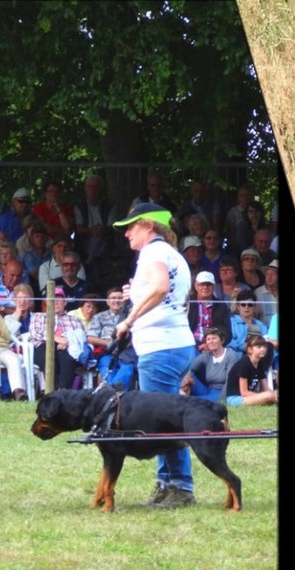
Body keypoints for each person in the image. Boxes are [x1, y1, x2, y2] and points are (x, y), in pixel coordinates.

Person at [112, 202, 198, 509]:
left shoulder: (152, 252)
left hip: (160, 348)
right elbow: (172, 295)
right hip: (176, 344)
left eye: (131, 227)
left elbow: (161, 288)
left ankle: (181, 487)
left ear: (148, 226)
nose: (127, 235)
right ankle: (165, 483)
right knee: (163, 416)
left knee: (163, 420)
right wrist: (135, 293)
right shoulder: (172, 255)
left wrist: (128, 319)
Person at [181, 327, 240, 399]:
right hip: (208, 390)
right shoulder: (206, 355)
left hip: (222, 392)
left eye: (214, 338)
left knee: (196, 401)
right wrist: (186, 378)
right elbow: (190, 367)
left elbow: (229, 383)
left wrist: (221, 400)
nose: (210, 341)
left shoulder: (231, 355)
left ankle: (188, 400)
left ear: (222, 340)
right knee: (188, 373)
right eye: (208, 339)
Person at [224, 334, 278, 406]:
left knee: (272, 394)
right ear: (250, 349)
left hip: (250, 397)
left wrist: (273, 394)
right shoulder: (244, 363)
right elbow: (244, 392)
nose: (263, 349)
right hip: (236, 398)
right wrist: (264, 396)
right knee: (268, 396)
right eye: (259, 347)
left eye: (264, 346)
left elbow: (265, 387)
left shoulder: (260, 363)